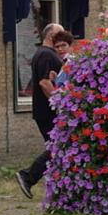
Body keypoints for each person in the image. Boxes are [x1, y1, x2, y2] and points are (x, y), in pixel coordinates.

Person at [16, 23, 64, 199]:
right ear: (52, 36)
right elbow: (44, 83)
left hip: (45, 111)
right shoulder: (45, 54)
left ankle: (58, 189)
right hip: (49, 112)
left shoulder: (44, 53)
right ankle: (28, 176)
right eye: (60, 35)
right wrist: (61, 104)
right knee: (59, 147)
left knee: (60, 149)